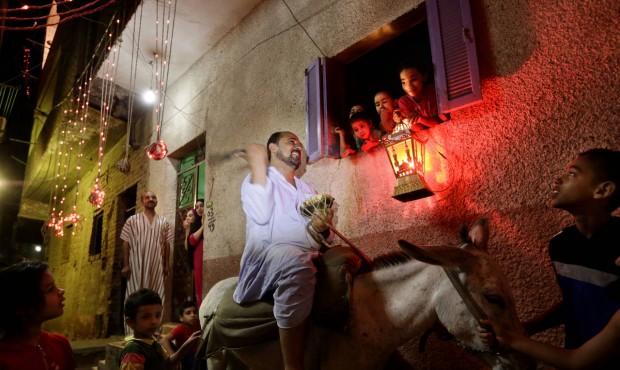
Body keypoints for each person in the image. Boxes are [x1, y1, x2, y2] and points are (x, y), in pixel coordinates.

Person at [484, 148, 620, 369]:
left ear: (602, 190)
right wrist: (529, 328)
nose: (558, 179)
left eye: (573, 174)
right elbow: (576, 302)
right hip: (574, 353)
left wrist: (514, 339)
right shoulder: (561, 245)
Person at [232, 131, 333, 370]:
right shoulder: (258, 178)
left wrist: (323, 229)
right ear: (273, 149)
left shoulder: (308, 189)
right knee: (294, 261)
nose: (298, 146)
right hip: (268, 259)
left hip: (308, 253)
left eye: (299, 143)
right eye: (291, 141)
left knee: (350, 260)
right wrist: (258, 163)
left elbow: (324, 234)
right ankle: (292, 365)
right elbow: (263, 217)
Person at [0, 261, 76, 370]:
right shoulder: (4, 359)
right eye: (50, 289)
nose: (61, 291)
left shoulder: (60, 343)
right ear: (21, 307)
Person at [121, 191, 174, 335]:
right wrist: (126, 265)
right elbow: (126, 242)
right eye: (147, 197)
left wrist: (166, 264)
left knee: (156, 293)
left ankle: (154, 330)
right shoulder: (132, 220)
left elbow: (166, 244)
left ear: (156, 201)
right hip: (136, 263)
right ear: (142, 201)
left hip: (156, 263)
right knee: (134, 293)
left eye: (153, 197)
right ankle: (131, 332)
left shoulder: (164, 222)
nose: (151, 199)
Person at [120, 288, 201, 370]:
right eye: (145, 317)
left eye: (157, 315)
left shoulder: (153, 342)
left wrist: (185, 347)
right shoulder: (133, 350)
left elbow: (168, 364)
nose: (154, 321)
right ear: (130, 322)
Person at [395, 61, 447, 131]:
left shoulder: (434, 91)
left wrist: (420, 119)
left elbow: (439, 121)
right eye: (404, 82)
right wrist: (403, 118)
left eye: (413, 79)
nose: (409, 86)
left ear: (424, 77)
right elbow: (419, 129)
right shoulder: (404, 102)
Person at [160, 301, 201, 370]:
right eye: (188, 313)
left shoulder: (199, 326)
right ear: (181, 318)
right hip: (183, 356)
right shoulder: (180, 328)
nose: (193, 315)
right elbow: (163, 340)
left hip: (195, 355)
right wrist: (173, 358)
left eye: (195, 312)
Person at [187, 199, 205, 305]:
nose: (199, 208)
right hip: (197, 257)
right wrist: (203, 226)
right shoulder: (197, 224)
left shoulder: (202, 221)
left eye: (202, 206)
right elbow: (192, 241)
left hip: (202, 256)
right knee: (199, 286)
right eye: (197, 206)